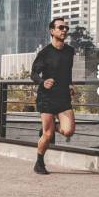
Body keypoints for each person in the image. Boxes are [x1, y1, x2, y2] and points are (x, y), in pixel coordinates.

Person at [30, 17, 76, 174]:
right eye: (61, 27)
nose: (64, 30)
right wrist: (42, 82)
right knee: (48, 134)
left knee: (69, 131)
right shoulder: (45, 53)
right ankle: (39, 162)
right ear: (52, 31)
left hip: (63, 97)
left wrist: (70, 84)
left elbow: (67, 71)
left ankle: (49, 126)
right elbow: (33, 73)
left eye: (66, 28)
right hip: (47, 97)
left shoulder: (70, 51)